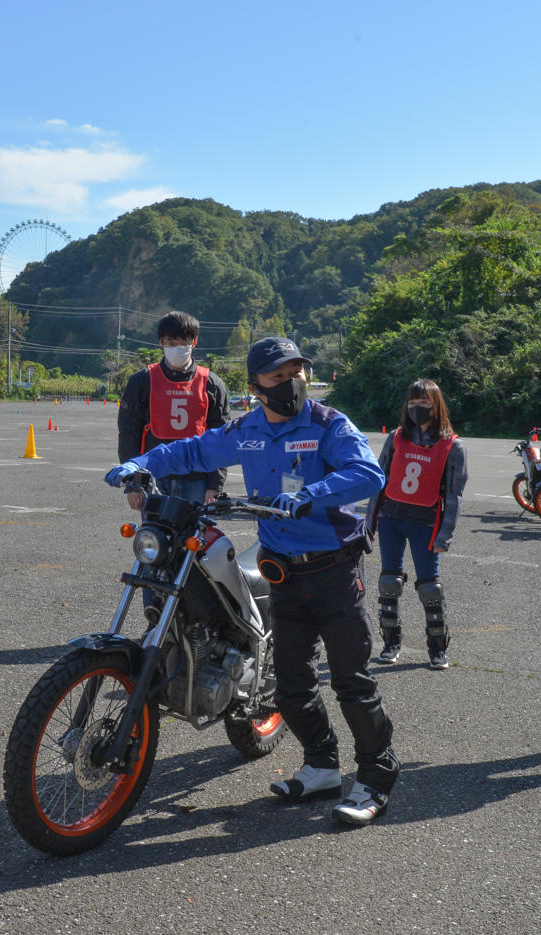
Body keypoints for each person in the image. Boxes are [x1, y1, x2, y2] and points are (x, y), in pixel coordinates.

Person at [105, 336, 398, 826]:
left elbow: (369, 475)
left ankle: (374, 779)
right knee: (290, 682)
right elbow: (193, 450)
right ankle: (323, 764)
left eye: (296, 371)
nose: (291, 382)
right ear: (256, 386)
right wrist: (141, 463)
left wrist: (313, 493)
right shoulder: (249, 429)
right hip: (282, 568)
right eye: (278, 375)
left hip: (334, 569)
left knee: (352, 681)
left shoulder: (329, 424)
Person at [368, 379, 468, 670]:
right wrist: (369, 524)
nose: (418, 408)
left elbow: (454, 495)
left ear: (436, 405)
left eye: (424, 403)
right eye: (412, 403)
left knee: (430, 588)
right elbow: (379, 480)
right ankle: (391, 643)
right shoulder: (397, 437)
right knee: (389, 582)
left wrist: (445, 534)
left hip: (425, 523)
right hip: (391, 519)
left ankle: (437, 649)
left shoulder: (453, 445)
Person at [116, 310, 229, 510]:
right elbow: (128, 434)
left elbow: (220, 437)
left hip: (197, 479)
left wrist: (215, 485)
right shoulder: (142, 381)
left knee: (192, 538)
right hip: (153, 477)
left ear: (194, 342)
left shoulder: (211, 383)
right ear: (161, 342)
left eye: (183, 343)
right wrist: (133, 484)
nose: (178, 349)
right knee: (154, 537)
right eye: (171, 343)